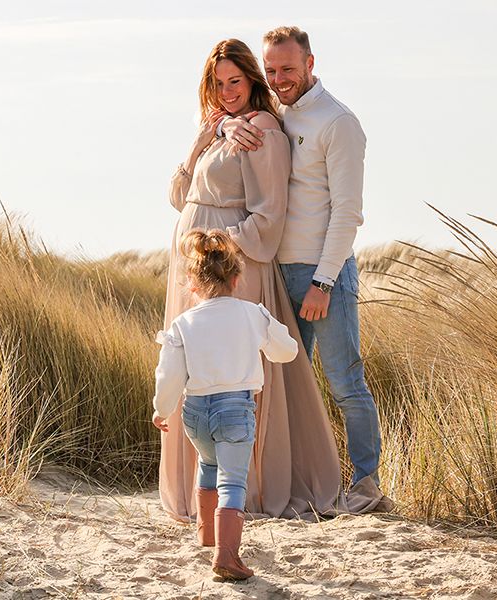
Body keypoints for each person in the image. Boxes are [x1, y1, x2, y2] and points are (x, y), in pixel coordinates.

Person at [160, 38, 379, 524]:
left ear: (306, 64)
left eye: (236, 81)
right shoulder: (237, 124)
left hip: (280, 267)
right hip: (206, 268)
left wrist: (214, 246)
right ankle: (213, 488)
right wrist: (204, 138)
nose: (227, 90)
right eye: (218, 83)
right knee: (220, 375)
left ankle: (363, 484)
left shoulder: (296, 127)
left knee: (330, 381)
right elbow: (180, 196)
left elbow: (297, 215)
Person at [220, 26, 385, 492]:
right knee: (288, 387)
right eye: (270, 71)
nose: (279, 79)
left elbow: (348, 213)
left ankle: (367, 484)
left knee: (344, 381)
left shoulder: (338, 122)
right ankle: (304, 483)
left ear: (310, 64)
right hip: (275, 273)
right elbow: (224, 113)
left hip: (321, 276)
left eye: (288, 69)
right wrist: (225, 123)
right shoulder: (275, 114)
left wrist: (324, 282)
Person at [152, 228, 299, 580]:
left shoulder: (183, 322)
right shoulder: (253, 314)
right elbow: (286, 351)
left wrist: (161, 408)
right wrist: (265, 337)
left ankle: (207, 533)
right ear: (236, 279)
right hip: (235, 409)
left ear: (193, 284)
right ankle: (227, 557)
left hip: (195, 412)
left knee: (207, 462)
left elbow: (169, 373)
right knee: (233, 481)